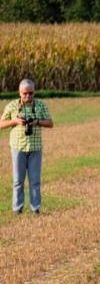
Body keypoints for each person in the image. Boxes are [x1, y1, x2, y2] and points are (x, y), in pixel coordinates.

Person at [3, 79, 53, 215]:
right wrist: (15, 121)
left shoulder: (40, 105)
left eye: (31, 93)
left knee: (35, 180)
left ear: (34, 92)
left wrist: (36, 122)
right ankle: (17, 209)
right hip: (17, 147)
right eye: (25, 93)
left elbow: (50, 123)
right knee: (18, 180)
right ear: (19, 93)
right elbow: (1, 124)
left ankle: (35, 209)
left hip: (35, 147)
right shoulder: (12, 106)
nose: (28, 96)